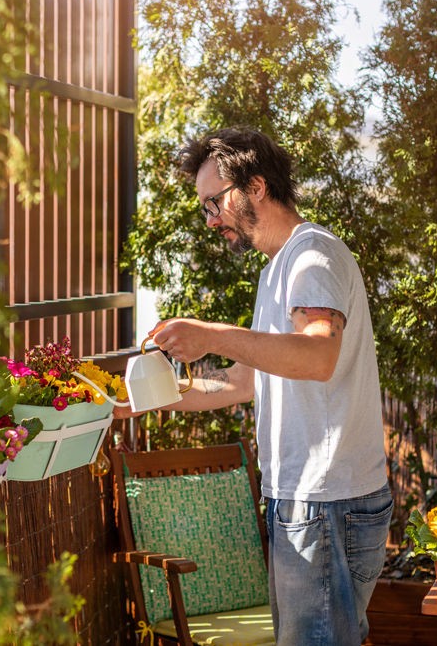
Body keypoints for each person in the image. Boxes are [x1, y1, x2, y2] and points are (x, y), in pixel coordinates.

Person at [121, 127, 391, 645]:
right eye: (204, 208)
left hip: (324, 505)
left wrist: (212, 334)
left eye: (214, 202)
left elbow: (317, 355)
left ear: (257, 186)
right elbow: (244, 381)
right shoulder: (276, 271)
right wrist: (142, 401)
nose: (211, 220)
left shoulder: (313, 257)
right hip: (305, 503)